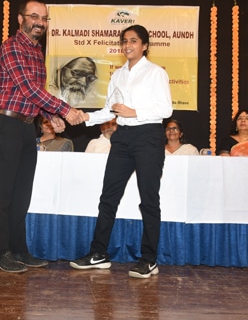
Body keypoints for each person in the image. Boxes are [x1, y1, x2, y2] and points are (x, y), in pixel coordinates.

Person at [69, 24, 172, 279]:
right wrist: (86, 117)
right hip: (123, 137)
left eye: (134, 41)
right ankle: (99, 253)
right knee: (108, 196)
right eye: (125, 41)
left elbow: (166, 109)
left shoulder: (156, 73)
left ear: (144, 45)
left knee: (149, 200)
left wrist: (134, 112)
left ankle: (149, 259)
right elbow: (110, 110)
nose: (128, 45)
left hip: (148, 136)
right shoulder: (117, 75)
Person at [0, 0, 82, 273]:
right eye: (34, 16)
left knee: (22, 193)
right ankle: (0, 253)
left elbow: (34, 96)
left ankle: (19, 250)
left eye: (44, 18)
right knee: (3, 192)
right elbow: (27, 87)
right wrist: (65, 109)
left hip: (26, 126)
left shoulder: (37, 52)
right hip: (5, 124)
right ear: (21, 19)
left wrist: (50, 116)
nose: (40, 22)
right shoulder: (11, 46)